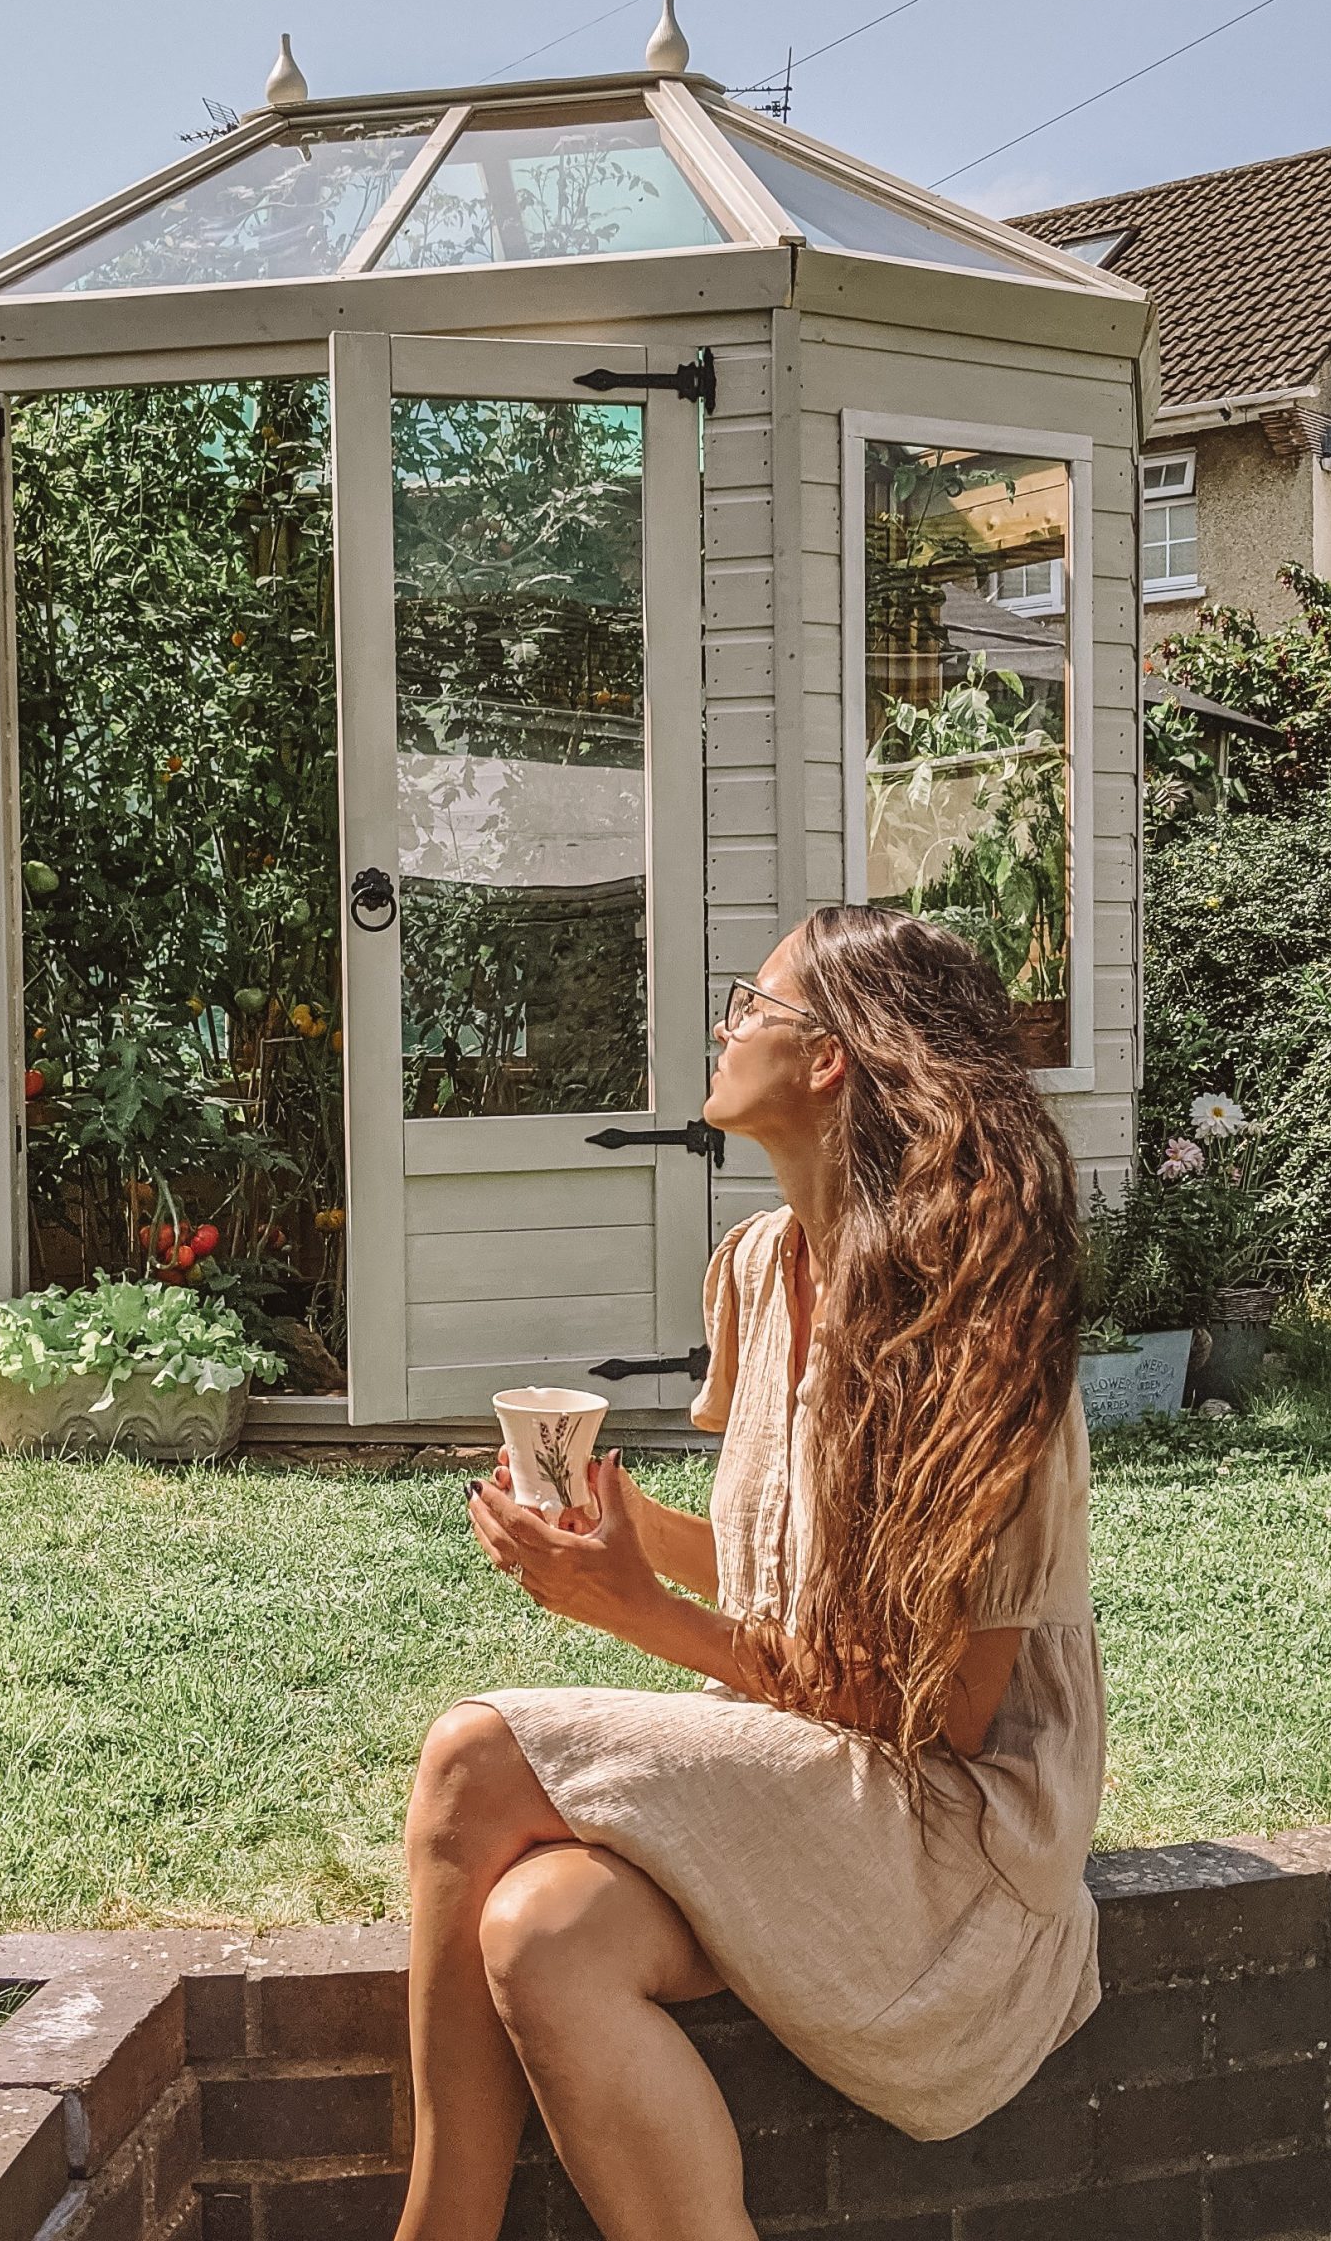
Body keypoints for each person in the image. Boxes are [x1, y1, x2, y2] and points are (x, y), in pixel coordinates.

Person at [396, 904, 1102, 2241]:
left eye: (751, 1004)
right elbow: (793, 1572)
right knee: (545, 1931)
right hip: (824, 1781)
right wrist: (614, 1526)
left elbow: (940, 1713)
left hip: (958, 1855)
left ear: (830, 1058)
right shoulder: (762, 1268)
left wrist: (638, 1613)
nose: (725, 1027)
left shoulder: (970, 1327)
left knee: (474, 1755)